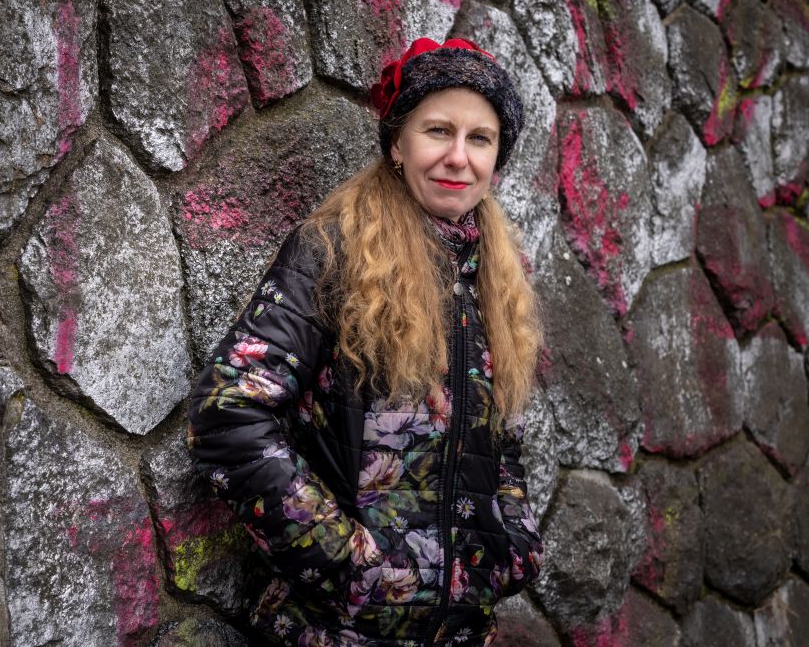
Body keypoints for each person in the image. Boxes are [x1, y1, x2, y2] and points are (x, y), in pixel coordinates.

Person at [187, 37, 544, 647]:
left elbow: (498, 438)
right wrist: (345, 564)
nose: (458, 157)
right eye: (438, 131)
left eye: (480, 139)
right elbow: (228, 412)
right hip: (338, 632)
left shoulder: (494, 277)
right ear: (398, 144)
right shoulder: (333, 252)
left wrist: (511, 545)